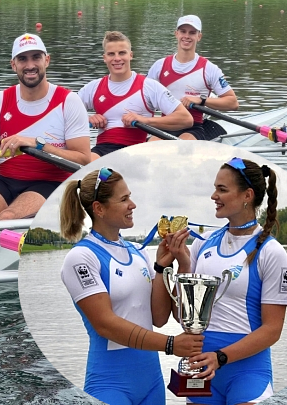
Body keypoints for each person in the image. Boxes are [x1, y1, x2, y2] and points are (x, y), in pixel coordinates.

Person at [59, 168, 204, 405]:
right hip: (109, 385)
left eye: (130, 197)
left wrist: (168, 266)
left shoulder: (138, 252)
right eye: (124, 199)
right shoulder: (81, 258)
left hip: (151, 383)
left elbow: (159, 318)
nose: (133, 205)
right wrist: (170, 344)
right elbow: (106, 325)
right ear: (99, 209)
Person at [0, 33, 91, 246]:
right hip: (6, 179)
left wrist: (38, 144)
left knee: (7, 217)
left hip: (51, 182)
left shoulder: (69, 101)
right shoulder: (0, 100)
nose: (30, 65)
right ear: (13, 65)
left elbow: (83, 160)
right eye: (23, 59)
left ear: (47, 60)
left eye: (36, 57)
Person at [168, 157, 287, 405]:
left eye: (222, 189)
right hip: (201, 368)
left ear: (247, 195)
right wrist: (182, 264)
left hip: (247, 374)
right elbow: (180, 316)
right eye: (215, 188)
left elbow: (272, 330)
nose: (214, 196)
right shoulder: (202, 244)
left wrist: (220, 357)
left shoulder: (271, 252)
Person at [78, 31, 193, 160]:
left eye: (122, 53)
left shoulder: (149, 86)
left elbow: (186, 119)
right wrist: (86, 119)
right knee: (84, 162)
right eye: (111, 54)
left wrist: (144, 120)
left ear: (130, 55)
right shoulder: (92, 88)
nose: (117, 58)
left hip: (138, 151)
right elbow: (64, 114)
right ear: (105, 58)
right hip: (104, 150)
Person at [147, 15, 239, 140]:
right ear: (176, 34)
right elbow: (144, 99)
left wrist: (201, 100)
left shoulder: (209, 69)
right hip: (166, 124)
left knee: (182, 147)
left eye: (192, 32)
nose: (187, 36)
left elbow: (233, 103)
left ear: (199, 36)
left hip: (193, 127)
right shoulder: (159, 66)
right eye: (183, 31)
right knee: (151, 147)